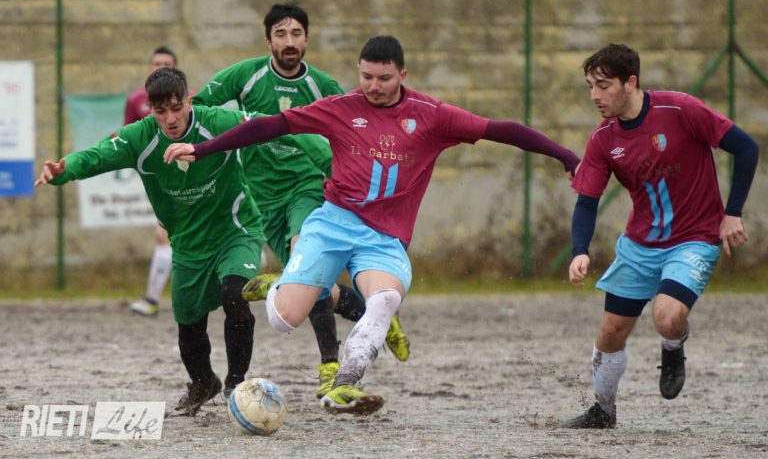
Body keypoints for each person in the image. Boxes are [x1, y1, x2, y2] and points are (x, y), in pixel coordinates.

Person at [164, 35, 581, 415]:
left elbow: (502, 130)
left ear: (403, 75)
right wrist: (202, 149)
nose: (373, 86)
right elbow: (270, 125)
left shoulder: (432, 115)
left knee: (385, 299)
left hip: (383, 237)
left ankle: (344, 383)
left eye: (384, 78)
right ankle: (281, 285)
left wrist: (564, 155)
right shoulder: (341, 108)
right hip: (332, 224)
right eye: (366, 77)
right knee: (282, 320)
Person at [191, 3, 410, 399]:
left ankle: (330, 368)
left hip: (308, 186)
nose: (289, 41)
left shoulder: (323, 85)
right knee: (309, 284)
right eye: (281, 34)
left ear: (307, 38)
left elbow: (358, 130)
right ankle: (372, 312)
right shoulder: (245, 75)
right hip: (262, 196)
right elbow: (199, 109)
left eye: (296, 34)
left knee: (303, 263)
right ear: (268, 40)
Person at [37, 67, 265, 415]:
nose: (171, 119)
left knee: (235, 295)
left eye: (177, 107)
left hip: (236, 230)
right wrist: (63, 171)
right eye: (161, 111)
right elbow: (97, 155)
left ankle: (236, 385)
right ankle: (203, 382)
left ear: (189, 100)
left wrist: (322, 143)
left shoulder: (217, 121)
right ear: (150, 109)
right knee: (188, 322)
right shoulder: (139, 137)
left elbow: (271, 125)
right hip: (188, 244)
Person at [562, 43, 758, 429]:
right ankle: (603, 411)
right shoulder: (603, 139)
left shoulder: (681, 109)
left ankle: (673, 346)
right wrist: (579, 250)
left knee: (667, 317)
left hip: (694, 238)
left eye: (603, 86)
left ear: (630, 82)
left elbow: (746, 148)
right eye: (590, 86)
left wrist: (732, 213)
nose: (595, 96)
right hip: (639, 245)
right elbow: (586, 203)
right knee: (610, 332)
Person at [124, 45, 179, 317]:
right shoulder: (136, 100)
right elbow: (128, 139)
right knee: (170, 236)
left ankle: (152, 299)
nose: (161, 67)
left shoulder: (190, 99)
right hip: (157, 179)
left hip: (184, 175)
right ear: (149, 68)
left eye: (167, 64)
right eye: (157, 63)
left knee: (163, 235)